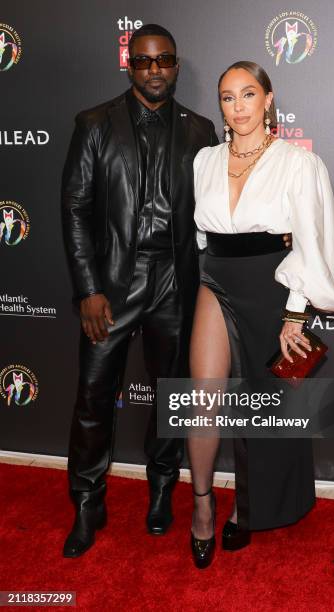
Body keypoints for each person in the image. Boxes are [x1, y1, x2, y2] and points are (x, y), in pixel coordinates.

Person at [60, 23, 222, 558]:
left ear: (176, 66)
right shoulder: (95, 123)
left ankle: (161, 491)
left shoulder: (200, 129)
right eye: (145, 60)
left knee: (173, 396)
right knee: (93, 396)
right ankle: (87, 502)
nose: (155, 70)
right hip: (112, 283)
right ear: (130, 64)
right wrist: (88, 288)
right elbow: (76, 210)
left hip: (175, 281)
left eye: (165, 60)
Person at [189, 61, 334, 568]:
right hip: (216, 280)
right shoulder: (205, 160)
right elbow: (201, 234)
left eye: (248, 94)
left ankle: (250, 509)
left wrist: (295, 312)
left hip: (273, 287)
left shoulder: (299, 164)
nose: (238, 107)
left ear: (269, 98)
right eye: (228, 97)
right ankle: (203, 506)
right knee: (204, 398)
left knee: (265, 408)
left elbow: (311, 242)